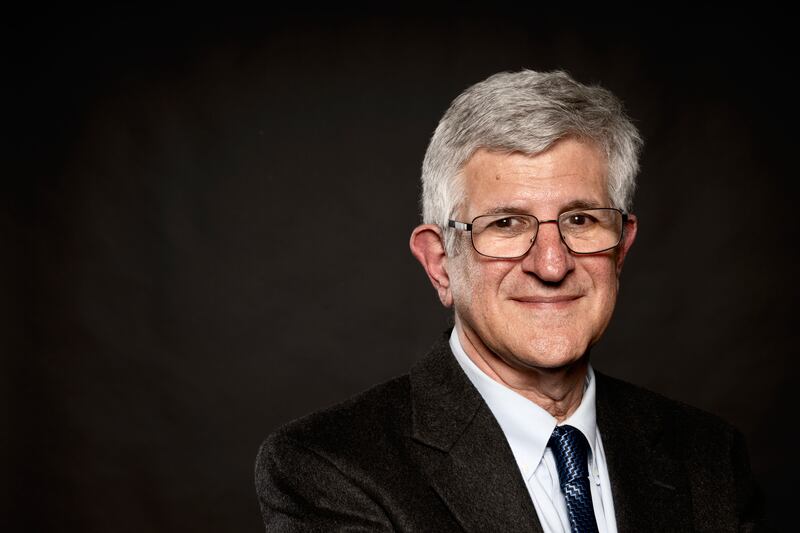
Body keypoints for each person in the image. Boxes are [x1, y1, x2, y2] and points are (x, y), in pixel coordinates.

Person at [254, 70, 765, 532]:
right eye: (505, 224)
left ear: (621, 247)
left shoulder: (708, 457)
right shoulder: (330, 467)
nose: (551, 264)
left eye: (581, 220)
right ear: (439, 262)